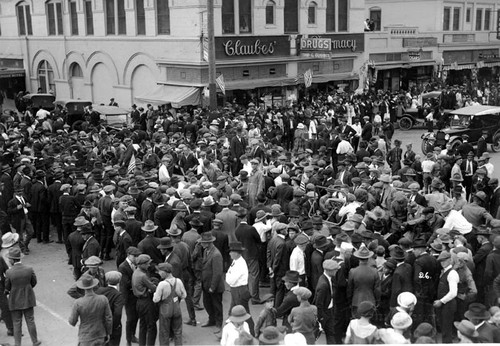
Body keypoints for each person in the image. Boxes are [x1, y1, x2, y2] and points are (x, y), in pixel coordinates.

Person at [5, 247, 41, 346]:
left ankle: (17, 344)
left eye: (9, 259)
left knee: (16, 322)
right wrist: (28, 289)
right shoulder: (29, 269)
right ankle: (35, 341)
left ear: (12, 260)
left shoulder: (9, 272)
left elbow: (7, 286)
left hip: (15, 300)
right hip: (28, 298)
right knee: (30, 320)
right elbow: (34, 282)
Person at [69, 273, 113, 346]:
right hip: (100, 334)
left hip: (86, 337)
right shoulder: (103, 299)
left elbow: (72, 322)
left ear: (82, 287)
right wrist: (108, 333)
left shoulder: (78, 303)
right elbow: (109, 318)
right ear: (94, 285)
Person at [153, 262, 187, 346]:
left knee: (164, 333)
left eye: (160, 271)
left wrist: (154, 293)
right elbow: (184, 295)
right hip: (176, 309)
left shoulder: (162, 284)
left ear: (165, 271)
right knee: (178, 332)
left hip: (165, 310)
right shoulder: (178, 281)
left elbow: (156, 300)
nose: (159, 273)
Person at [225, 241, 255, 335]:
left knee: (244, 313)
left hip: (240, 291)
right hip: (235, 290)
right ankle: (228, 331)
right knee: (232, 312)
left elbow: (231, 280)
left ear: (236, 253)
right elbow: (228, 275)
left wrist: (228, 276)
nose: (229, 253)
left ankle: (252, 332)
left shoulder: (240, 264)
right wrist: (228, 276)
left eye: (231, 252)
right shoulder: (235, 261)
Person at [199, 231, 225, 333]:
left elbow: (217, 273)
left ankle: (218, 323)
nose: (201, 244)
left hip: (214, 286)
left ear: (208, 243)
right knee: (207, 304)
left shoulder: (216, 255)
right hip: (206, 284)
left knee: (217, 306)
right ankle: (211, 319)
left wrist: (212, 287)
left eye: (202, 242)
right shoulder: (206, 251)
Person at [132, 254, 158, 346]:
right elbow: (154, 288)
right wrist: (154, 284)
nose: (149, 265)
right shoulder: (143, 276)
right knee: (151, 326)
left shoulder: (136, 272)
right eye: (147, 264)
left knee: (143, 325)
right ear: (141, 264)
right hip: (146, 301)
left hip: (139, 302)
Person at [433, 251, 459, 343]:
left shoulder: (452, 273)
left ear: (450, 260)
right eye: (441, 261)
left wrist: (441, 301)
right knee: (444, 327)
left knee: (446, 329)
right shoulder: (444, 272)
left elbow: (453, 293)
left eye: (444, 260)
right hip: (444, 304)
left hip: (448, 305)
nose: (442, 263)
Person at [95, 271, 124, 346]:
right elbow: (117, 313)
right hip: (112, 326)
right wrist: (115, 326)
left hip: (99, 324)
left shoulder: (99, 290)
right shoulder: (118, 295)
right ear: (119, 281)